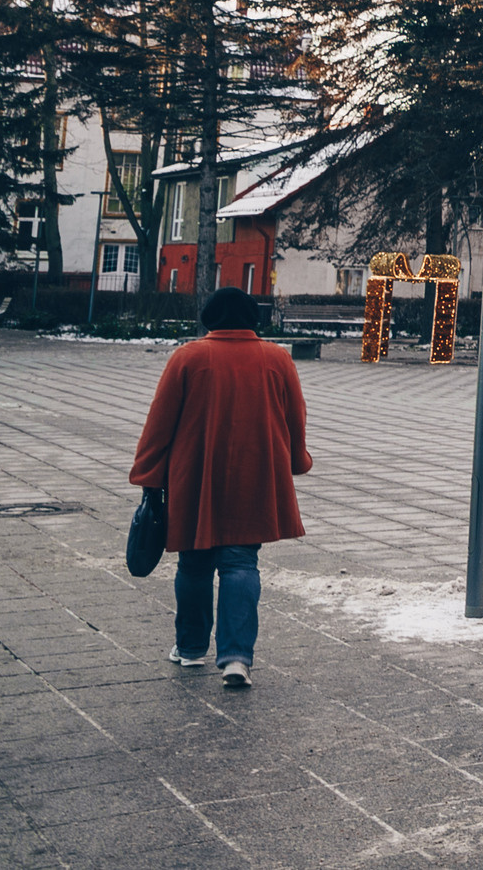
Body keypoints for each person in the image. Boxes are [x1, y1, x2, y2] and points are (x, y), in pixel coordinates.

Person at [129, 287, 310, 689]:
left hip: (194, 475)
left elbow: (160, 423)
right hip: (255, 474)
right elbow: (295, 416)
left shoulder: (188, 357)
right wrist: (297, 459)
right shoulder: (277, 358)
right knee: (241, 563)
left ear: (209, 319)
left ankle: (191, 648)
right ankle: (236, 659)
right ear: (253, 320)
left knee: (193, 564)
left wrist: (148, 475)